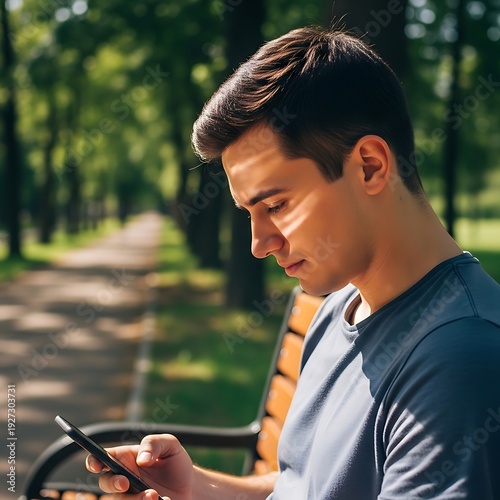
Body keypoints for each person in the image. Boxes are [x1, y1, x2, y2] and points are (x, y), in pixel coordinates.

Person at [87, 26, 500, 499]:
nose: (258, 244)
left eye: (277, 206)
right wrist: (197, 487)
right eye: (250, 214)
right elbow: (300, 486)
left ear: (369, 165)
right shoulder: (338, 307)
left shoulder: (461, 363)